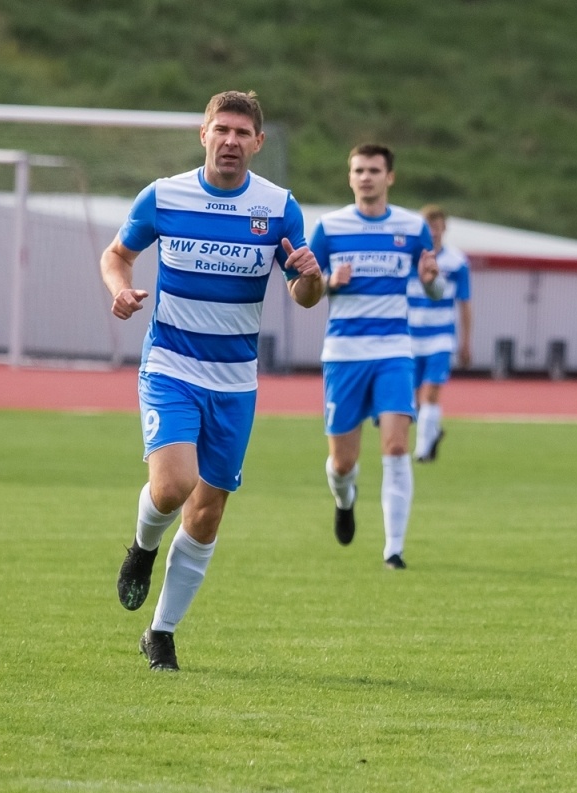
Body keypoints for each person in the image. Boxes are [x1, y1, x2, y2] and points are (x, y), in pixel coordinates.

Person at [100, 90, 325, 671]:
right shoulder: (164, 194)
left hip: (235, 380)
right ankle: (142, 548)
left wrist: (310, 278)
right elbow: (116, 255)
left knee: (207, 512)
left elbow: (304, 296)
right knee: (174, 485)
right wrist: (119, 289)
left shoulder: (279, 208)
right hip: (171, 364)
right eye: (220, 129)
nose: (230, 140)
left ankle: (161, 633)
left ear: (258, 143)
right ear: (203, 134)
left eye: (241, 132)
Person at [309, 144, 442, 569]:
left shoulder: (412, 227)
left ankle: (394, 549)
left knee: (397, 446)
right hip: (344, 353)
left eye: (374, 170)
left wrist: (430, 281)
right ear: (350, 178)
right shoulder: (328, 229)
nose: (366, 177)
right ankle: (344, 501)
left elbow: (434, 290)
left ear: (390, 177)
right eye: (359, 170)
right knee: (343, 462)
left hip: (393, 352)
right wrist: (330, 280)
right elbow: (303, 292)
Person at [408, 204, 472, 462]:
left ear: (444, 228)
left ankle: (423, 451)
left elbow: (465, 303)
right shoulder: (411, 258)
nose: (433, 231)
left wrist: (466, 341)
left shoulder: (457, 262)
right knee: (414, 401)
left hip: (440, 337)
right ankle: (433, 432)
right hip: (411, 336)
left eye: (437, 226)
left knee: (431, 392)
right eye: (428, 226)